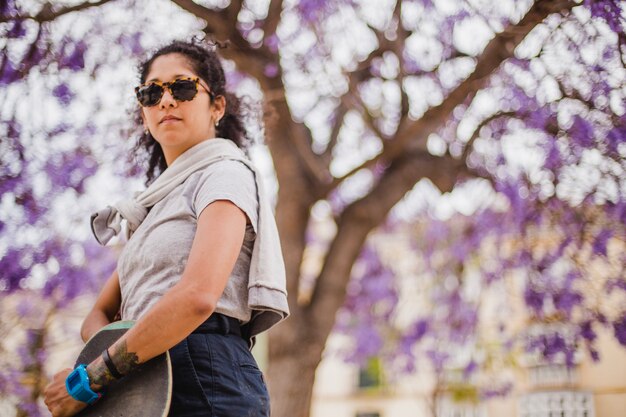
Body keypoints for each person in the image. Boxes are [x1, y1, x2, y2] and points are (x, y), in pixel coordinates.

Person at [43, 39, 289, 417]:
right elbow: (101, 313)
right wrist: (121, 362)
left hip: (207, 378)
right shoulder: (152, 209)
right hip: (144, 377)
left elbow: (197, 297)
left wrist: (91, 379)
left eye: (183, 87)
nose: (166, 100)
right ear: (143, 111)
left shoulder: (223, 173)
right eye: (151, 91)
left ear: (217, 106)